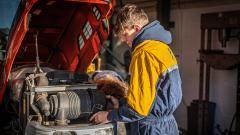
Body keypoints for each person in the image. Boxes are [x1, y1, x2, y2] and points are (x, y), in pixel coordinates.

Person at [90, 4, 182, 135]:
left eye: (125, 34)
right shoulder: (161, 47)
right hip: (167, 126)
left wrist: (108, 116)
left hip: (150, 129)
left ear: (137, 28)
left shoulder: (143, 52)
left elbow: (139, 109)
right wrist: (122, 103)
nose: (123, 40)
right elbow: (154, 95)